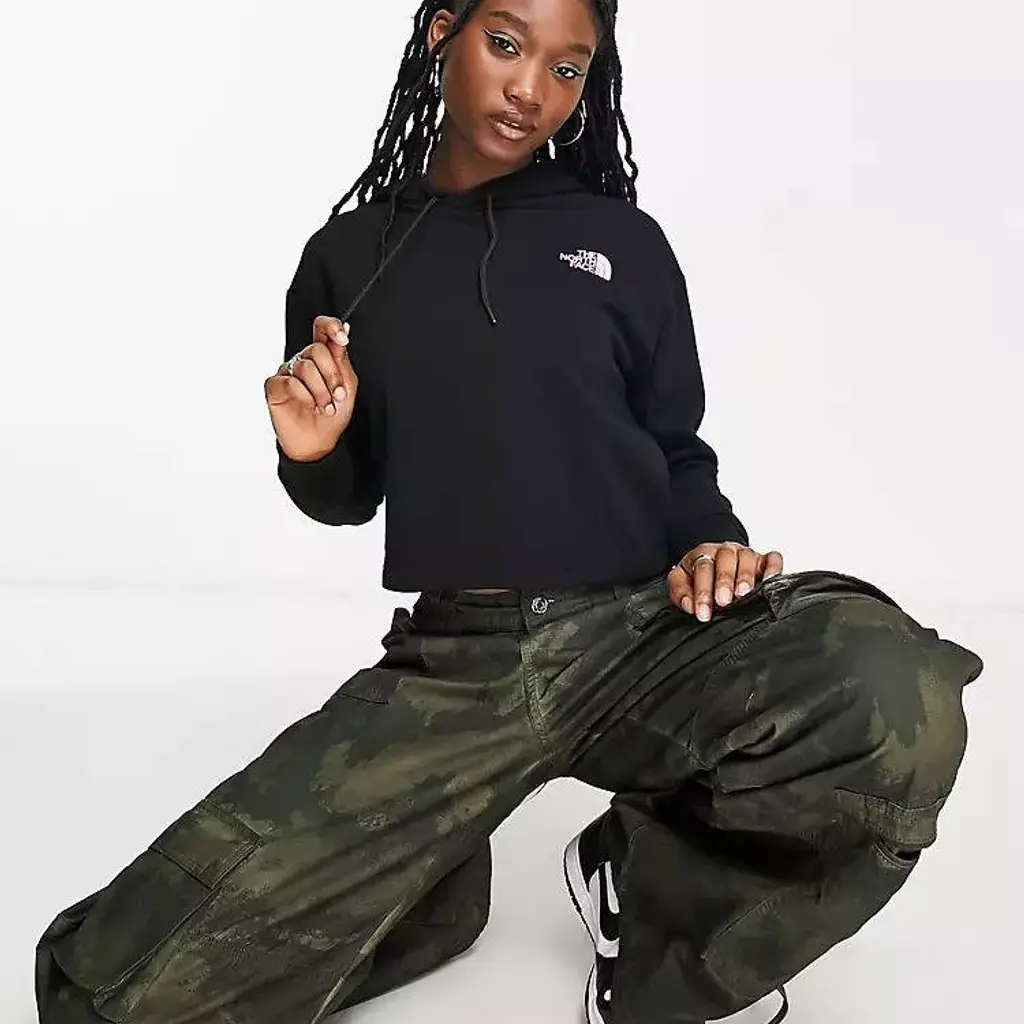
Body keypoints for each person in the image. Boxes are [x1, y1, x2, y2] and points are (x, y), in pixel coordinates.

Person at [34, 2, 983, 1023]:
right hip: (463, 661)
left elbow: (675, 448)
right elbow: (346, 497)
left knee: (894, 694)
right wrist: (310, 448)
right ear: (442, 31)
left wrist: (714, 543)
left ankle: (651, 903)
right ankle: (435, 882)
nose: (532, 90)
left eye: (568, 69)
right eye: (505, 45)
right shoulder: (350, 255)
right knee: (115, 993)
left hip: (650, 634)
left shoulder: (621, 242)